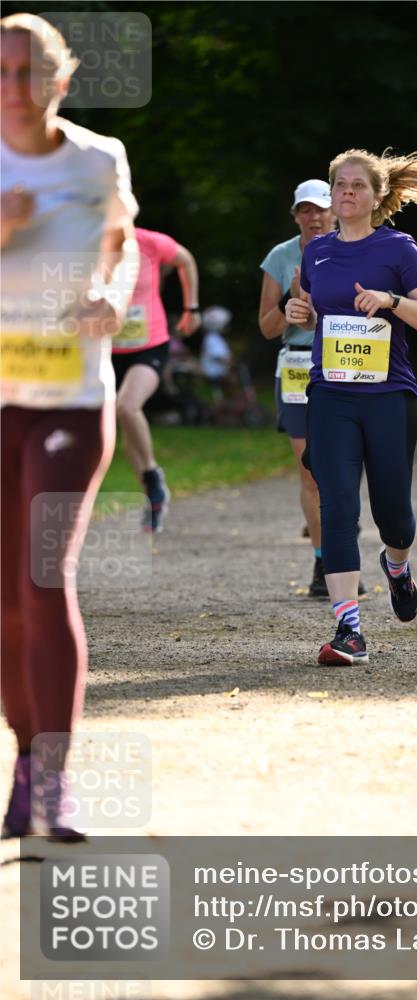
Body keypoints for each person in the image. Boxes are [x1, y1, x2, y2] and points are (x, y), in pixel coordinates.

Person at [1, 14, 139, 838]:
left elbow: (121, 243)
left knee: (44, 579)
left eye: (28, 72)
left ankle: (54, 779)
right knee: (5, 597)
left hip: (70, 400)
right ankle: (25, 767)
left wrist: (112, 297)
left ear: (60, 79)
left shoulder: (98, 159)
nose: (13, 88)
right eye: (0, 72)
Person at [286, 149, 417, 665]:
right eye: (340, 184)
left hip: (388, 397)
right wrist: (300, 312)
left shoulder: (398, 249)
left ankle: (397, 566)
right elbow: (318, 313)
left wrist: (392, 300)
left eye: (358, 185)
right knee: (337, 505)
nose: (347, 192)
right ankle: (349, 630)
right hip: (330, 394)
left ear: (378, 197)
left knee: (393, 516)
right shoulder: (316, 252)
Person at [259, 180, 336, 597]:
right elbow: (266, 328)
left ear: (335, 211)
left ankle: (337, 541)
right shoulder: (280, 256)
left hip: (342, 361)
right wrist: (288, 307)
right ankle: (324, 563)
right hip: (296, 365)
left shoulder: (351, 250)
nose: (314, 217)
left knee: (341, 470)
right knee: (310, 471)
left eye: (320, 209)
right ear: (295, 217)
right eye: (305, 210)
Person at [112, 228, 201, 532]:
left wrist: (191, 308)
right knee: (126, 424)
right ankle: (153, 499)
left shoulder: (149, 242)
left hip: (149, 345)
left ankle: (152, 475)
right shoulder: (89, 243)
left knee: (127, 406)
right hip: (107, 349)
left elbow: (185, 260)